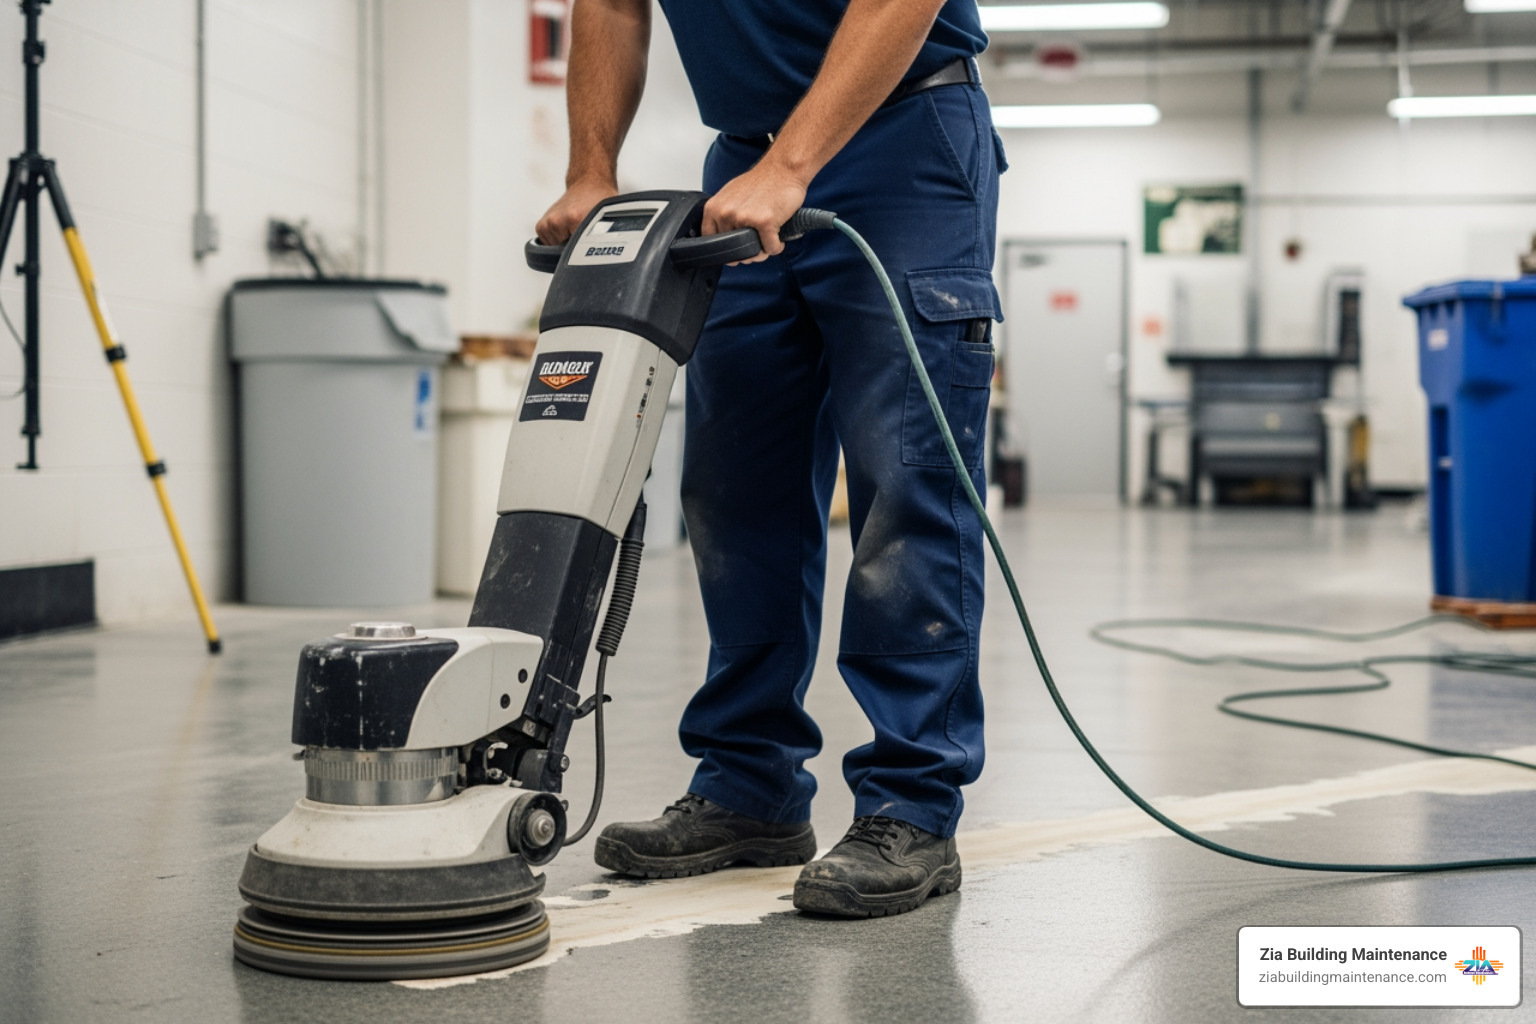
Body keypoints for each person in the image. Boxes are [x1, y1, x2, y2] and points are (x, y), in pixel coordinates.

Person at [536, 0, 1005, 918]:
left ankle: (912, 801)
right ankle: (749, 784)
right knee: (734, 485)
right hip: (740, 162)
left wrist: (793, 164)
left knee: (907, 481)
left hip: (903, 137)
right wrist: (591, 170)